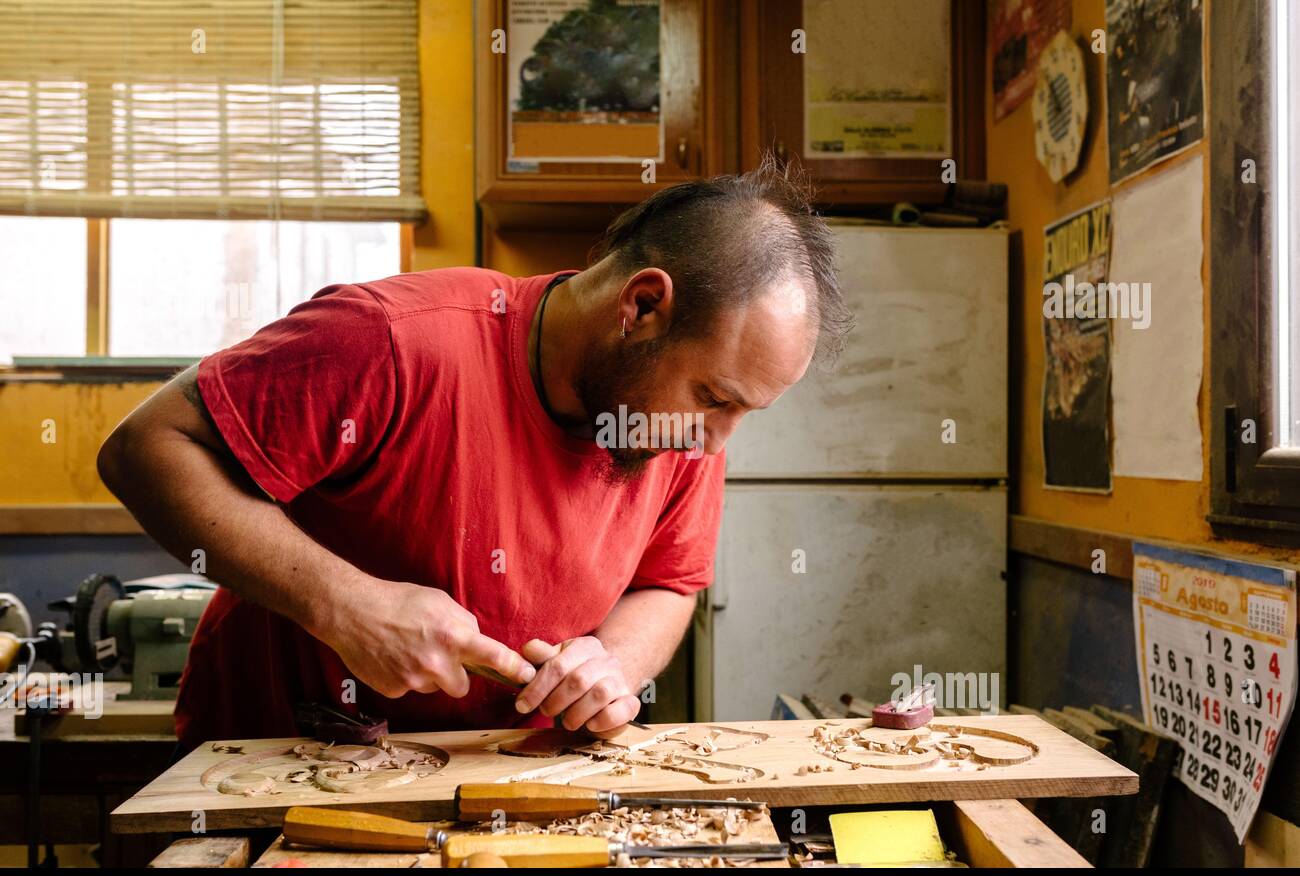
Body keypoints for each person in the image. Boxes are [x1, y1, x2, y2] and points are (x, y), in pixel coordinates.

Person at [97, 158, 852, 752]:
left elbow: (669, 583)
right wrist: (347, 607)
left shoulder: (682, 424)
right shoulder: (392, 340)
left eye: (746, 410)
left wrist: (613, 662)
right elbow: (143, 448)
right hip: (275, 765)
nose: (716, 441)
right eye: (714, 397)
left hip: (499, 785)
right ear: (643, 307)